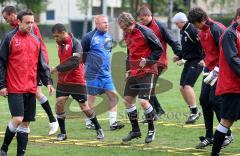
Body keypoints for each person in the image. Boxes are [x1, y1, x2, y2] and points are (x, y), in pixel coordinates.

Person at [0, 9, 54, 156]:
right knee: (17, 118)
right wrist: (2, 85)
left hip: (31, 87)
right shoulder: (9, 38)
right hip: (15, 87)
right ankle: (4, 149)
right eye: (27, 22)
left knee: (25, 124)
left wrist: (48, 81)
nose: (30, 25)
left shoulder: (36, 40)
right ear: (19, 22)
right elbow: (1, 62)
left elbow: (41, 64)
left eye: (32, 22)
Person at [188, 7, 233, 149]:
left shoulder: (217, 29)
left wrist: (217, 70)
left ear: (202, 20)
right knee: (204, 100)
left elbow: (227, 51)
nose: (195, 27)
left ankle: (227, 134)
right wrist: (205, 62)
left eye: (196, 24)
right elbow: (207, 51)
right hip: (209, 69)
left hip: (221, 70)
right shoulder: (201, 31)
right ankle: (209, 136)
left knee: (215, 101)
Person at [50, 23, 104, 141]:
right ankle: (63, 133)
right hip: (63, 81)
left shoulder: (76, 43)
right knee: (59, 103)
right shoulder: (60, 44)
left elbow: (75, 61)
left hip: (76, 80)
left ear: (64, 33)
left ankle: (98, 128)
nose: (56, 39)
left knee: (84, 106)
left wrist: (57, 69)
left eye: (57, 36)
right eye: (54, 37)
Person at [118, 12, 163, 144]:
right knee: (127, 101)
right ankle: (135, 130)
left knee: (143, 102)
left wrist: (148, 60)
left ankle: (151, 130)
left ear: (132, 23)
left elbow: (158, 49)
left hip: (148, 70)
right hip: (134, 71)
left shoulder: (145, 31)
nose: (125, 31)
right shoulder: (127, 34)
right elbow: (129, 51)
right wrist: (127, 69)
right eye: (123, 29)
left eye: (126, 28)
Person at [137, 7, 182, 120]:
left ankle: (151, 116)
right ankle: (158, 110)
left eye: (143, 19)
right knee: (146, 87)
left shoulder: (160, 26)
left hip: (159, 62)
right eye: (140, 20)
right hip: (147, 61)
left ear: (149, 15)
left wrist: (180, 54)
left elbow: (172, 40)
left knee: (148, 88)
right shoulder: (142, 27)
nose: (141, 22)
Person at [81, 15, 124, 131]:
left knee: (113, 97)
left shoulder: (109, 36)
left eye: (107, 22)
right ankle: (89, 122)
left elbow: (107, 53)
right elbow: (82, 55)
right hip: (93, 74)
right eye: (104, 22)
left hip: (106, 75)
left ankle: (113, 123)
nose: (107, 24)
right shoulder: (88, 37)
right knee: (91, 99)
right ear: (97, 24)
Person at [211, 8, 240, 156]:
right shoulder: (229, 33)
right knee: (226, 121)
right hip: (232, 87)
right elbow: (233, 59)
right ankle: (214, 153)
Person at [172, 12, 203, 124]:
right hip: (189, 61)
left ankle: (195, 112)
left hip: (198, 61)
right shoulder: (183, 30)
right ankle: (193, 111)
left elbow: (203, 44)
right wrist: (179, 56)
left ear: (182, 21)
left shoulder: (192, 30)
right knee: (181, 87)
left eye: (177, 23)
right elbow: (187, 48)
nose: (176, 26)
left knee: (188, 86)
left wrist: (204, 58)